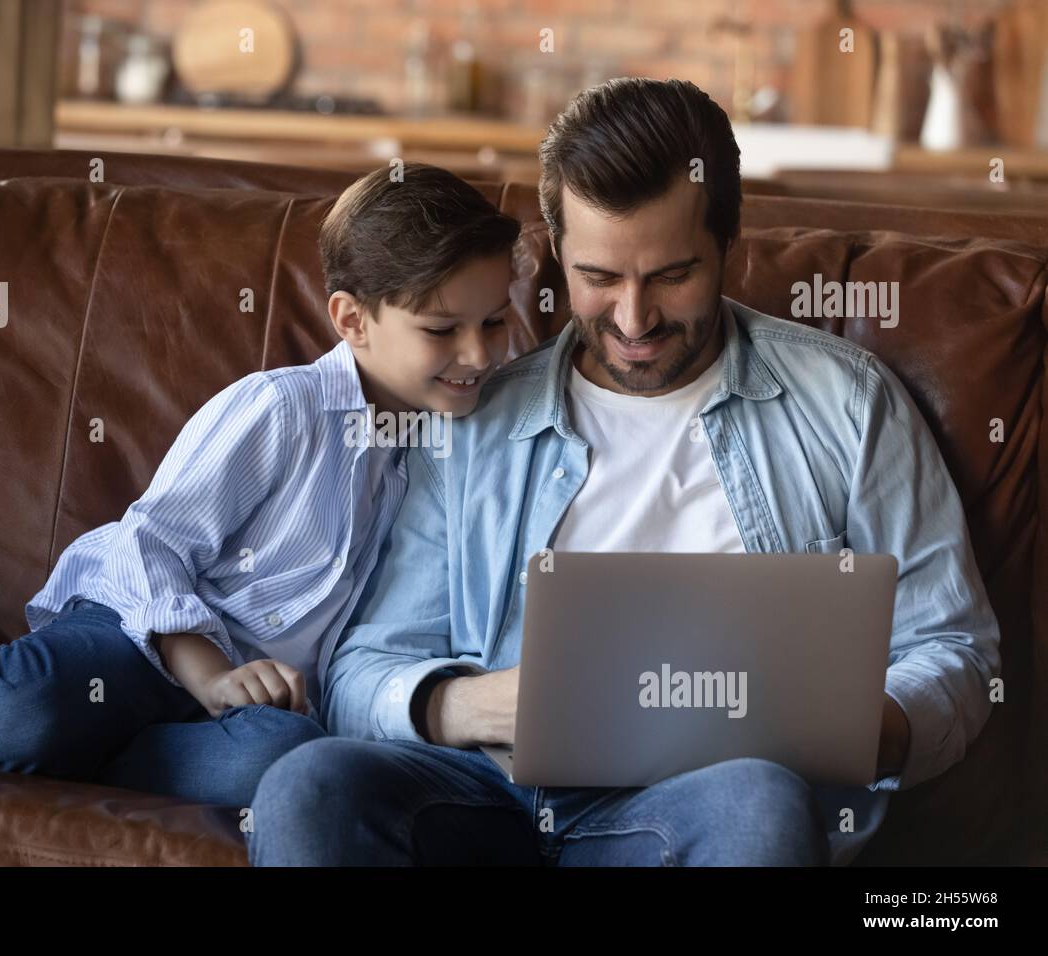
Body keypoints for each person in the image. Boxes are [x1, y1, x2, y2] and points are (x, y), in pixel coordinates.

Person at [246, 78, 1001, 865]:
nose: (634, 321)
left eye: (672, 275)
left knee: (758, 801)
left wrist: (857, 723)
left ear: (727, 247)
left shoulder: (847, 404)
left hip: (699, 805)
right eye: (599, 279)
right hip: (489, 797)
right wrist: (470, 705)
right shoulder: (473, 419)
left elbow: (956, 649)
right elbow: (362, 667)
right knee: (310, 784)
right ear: (551, 256)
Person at [0, 164, 521, 809]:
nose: (480, 355)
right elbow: (150, 546)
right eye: (441, 329)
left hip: (245, 710)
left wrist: (239, 695)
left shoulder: (448, 456)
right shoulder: (283, 410)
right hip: (140, 642)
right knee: (23, 707)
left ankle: (21, 751)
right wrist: (211, 673)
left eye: (494, 322)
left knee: (286, 764)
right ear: (350, 320)